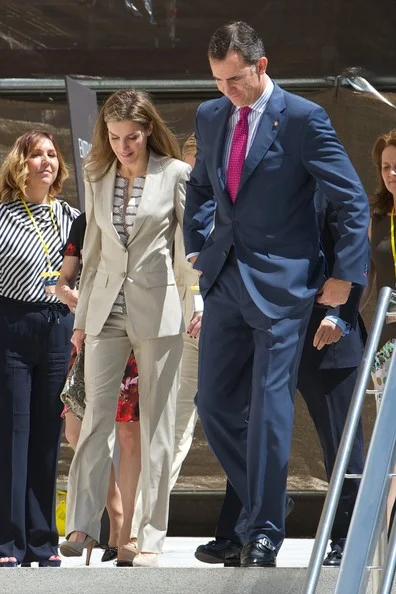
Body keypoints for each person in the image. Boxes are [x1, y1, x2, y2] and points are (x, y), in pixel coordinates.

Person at [183, 21, 369, 567]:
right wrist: (198, 243)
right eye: (217, 80)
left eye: (234, 80)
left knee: (269, 410)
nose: (226, 91)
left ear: (261, 67)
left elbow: (353, 202)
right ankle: (271, 500)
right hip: (224, 281)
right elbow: (200, 186)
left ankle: (263, 528)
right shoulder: (211, 114)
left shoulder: (306, 119)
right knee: (212, 404)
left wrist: (344, 278)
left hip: (286, 289)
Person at [195, 189, 367, 567]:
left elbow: (352, 247)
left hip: (325, 331)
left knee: (340, 442)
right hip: (269, 327)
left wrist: (340, 313)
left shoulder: (327, 180)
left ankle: (347, 537)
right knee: (251, 427)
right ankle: (245, 529)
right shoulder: (257, 180)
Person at [59, 89, 190, 567]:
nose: (122, 146)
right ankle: (82, 525)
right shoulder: (97, 176)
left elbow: (185, 249)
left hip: (160, 311)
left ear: (148, 130)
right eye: (113, 138)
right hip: (105, 312)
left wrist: (194, 304)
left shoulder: (176, 174)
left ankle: (146, 537)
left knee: (157, 427)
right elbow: (92, 255)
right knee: (94, 419)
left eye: (130, 137)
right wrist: (80, 323)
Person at [0, 130, 79, 567]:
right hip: (11, 323)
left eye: (51, 154)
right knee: (13, 433)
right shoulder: (2, 215)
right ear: (20, 162)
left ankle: (42, 540)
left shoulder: (73, 217)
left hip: (58, 329)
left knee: (49, 434)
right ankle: (7, 542)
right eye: (36, 155)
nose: (45, 161)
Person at [56, 212, 139, 565]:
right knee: (77, 430)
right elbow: (66, 277)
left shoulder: (147, 208)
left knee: (129, 434)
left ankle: (125, 530)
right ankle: (113, 510)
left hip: (138, 328)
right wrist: (68, 294)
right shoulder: (88, 219)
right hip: (93, 332)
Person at [360, 129, 396, 531]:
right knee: (391, 435)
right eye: (386, 167)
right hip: (387, 342)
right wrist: (339, 316)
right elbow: (365, 280)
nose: (391, 174)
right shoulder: (376, 216)